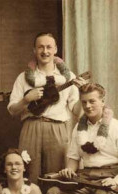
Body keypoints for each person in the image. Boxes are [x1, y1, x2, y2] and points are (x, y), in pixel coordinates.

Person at [7, 32, 86, 184]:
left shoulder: (68, 76)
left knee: (56, 177)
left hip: (57, 129)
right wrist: (26, 100)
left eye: (49, 47)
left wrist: (82, 96)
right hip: (31, 127)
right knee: (28, 175)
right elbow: (12, 110)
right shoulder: (23, 77)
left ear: (55, 49)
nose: (45, 51)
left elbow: (76, 111)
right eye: (40, 47)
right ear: (34, 50)